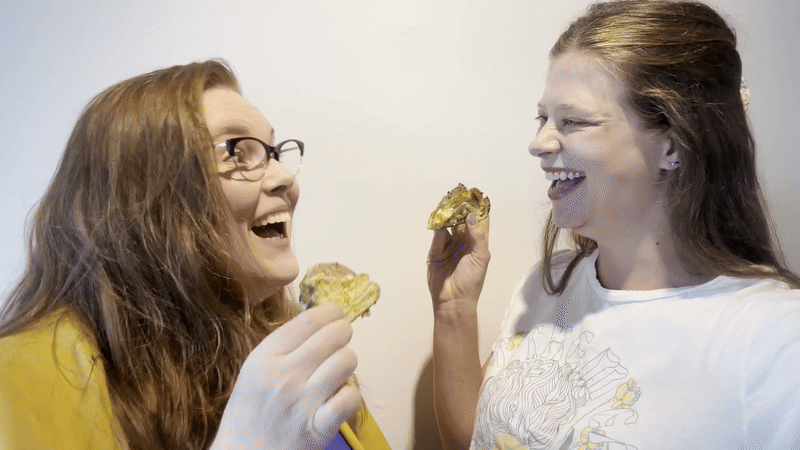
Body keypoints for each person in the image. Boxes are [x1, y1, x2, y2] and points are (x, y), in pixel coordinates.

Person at [427, 1, 800, 449]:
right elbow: (480, 438)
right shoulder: (544, 287)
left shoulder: (776, 339)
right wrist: (453, 312)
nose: (538, 142)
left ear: (673, 145)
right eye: (543, 117)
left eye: (574, 121)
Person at [0, 60, 390, 450]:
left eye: (273, 153)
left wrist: (453, 316)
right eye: (238, 153)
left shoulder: (290, 349)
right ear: (143, 197)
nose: (285, 178)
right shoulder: (17, 378)